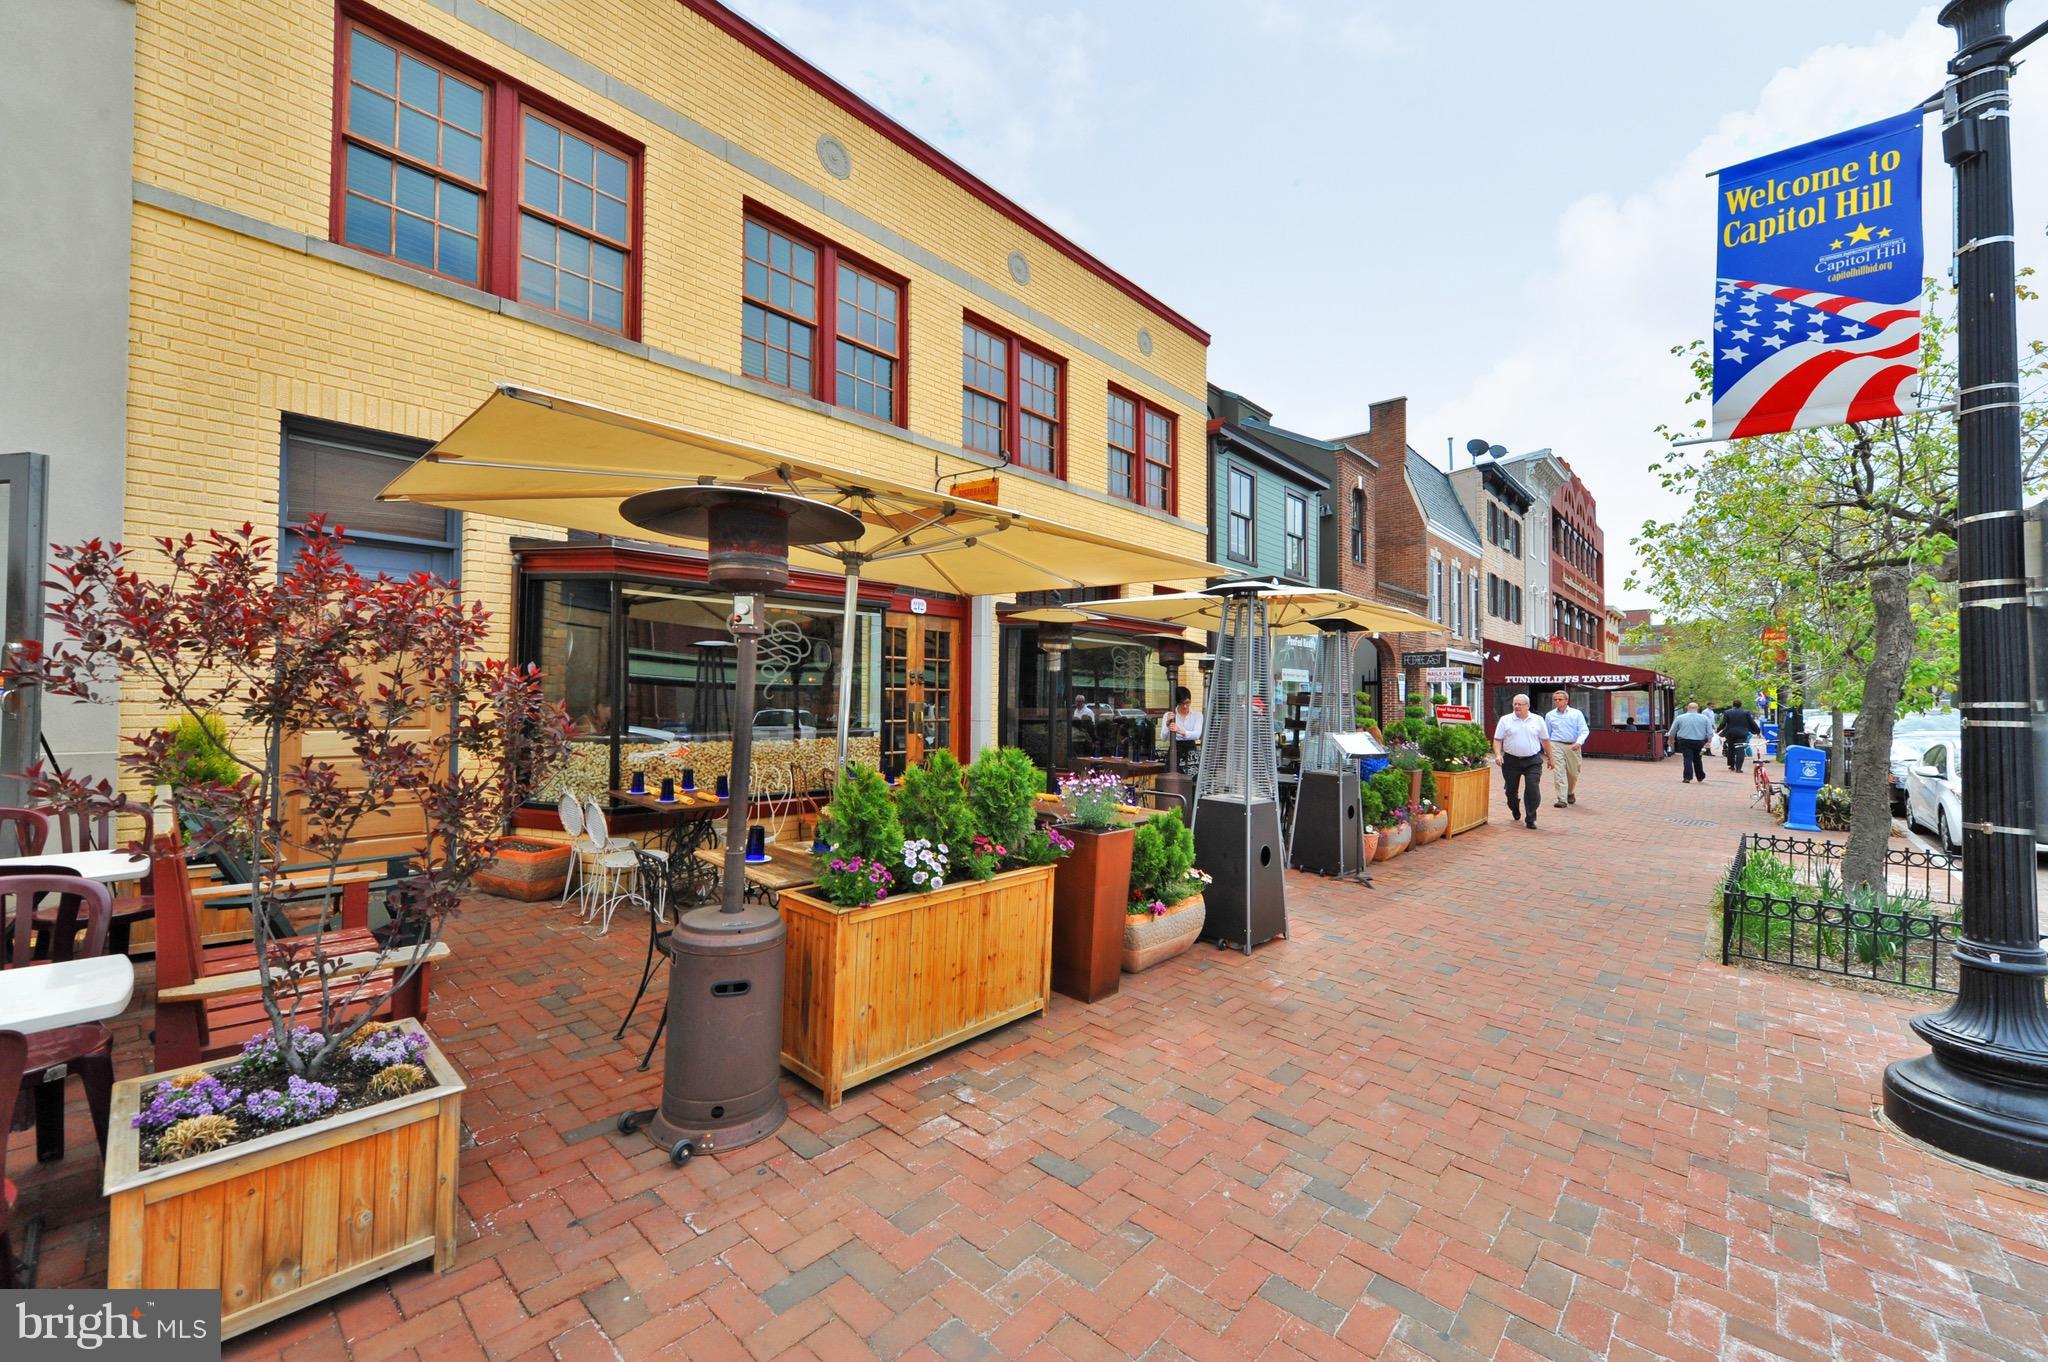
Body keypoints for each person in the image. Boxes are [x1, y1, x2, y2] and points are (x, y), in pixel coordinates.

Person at [1491, 692, 1553, 829]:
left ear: (1528, 706)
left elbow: (1545, 740)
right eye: (1515, 704)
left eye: (1520, 704)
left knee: (1532, 788)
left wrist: (1551, 758)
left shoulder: (1538, 720)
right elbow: (1497, 739)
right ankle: (1514, 807)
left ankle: (1531, 818)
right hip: (1511, 760)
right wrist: (1498, 754)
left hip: (1532, 761)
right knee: (1510, 791)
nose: (1517, 706)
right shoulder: (1505, 720)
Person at [1543, 688, 1589, 808]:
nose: (1557, 701)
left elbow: (1584, 730)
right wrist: (1547, 750)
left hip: (1573, 746)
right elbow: (1547, 734)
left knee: (1573, 773)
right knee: (1559, 771)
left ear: (1566, 701)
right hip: (1556, 745)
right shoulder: (1550, 715)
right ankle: (1562, 799)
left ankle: (1570, 792)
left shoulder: (1576, 714)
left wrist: (1579, 742)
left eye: (1560, 699)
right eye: (1555, 699)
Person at [1668, 701, 1714, 783]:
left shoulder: (1680, 717)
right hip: (1700, 741)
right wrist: (1709, 741)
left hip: (1685, 741)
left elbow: (1673, 731)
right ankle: (1700, 776)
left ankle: (1687, 777)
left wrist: (1671, 739)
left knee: (1687, 758)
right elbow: (1709, 732)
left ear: (1687, 708)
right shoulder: (1704, 718)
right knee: (1698, 758)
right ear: (1697, 708)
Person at [1162, 685, 1203, 773]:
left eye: (1187, 702)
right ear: (1177, 702)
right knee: (1172, 777)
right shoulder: (1168, 715)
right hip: (1175, 749)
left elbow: (1197, 735)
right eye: (1181, 703)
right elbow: (1163, 738)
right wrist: (1167, 724)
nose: (1185, 706)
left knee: (1191, 777)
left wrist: (1180, 731)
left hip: (1191, 749)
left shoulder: (1197, 715)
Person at [1717, 697, 1757, 772]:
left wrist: (1718, 730)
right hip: (1742, 733)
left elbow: (1723, 723)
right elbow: (1752, 722)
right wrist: (1757, 731)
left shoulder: (1727, 712)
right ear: (1741, 705)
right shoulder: (1746, 712)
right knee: (1740, 750)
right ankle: (1738, 768)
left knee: (1731, 749)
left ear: (1733, 705)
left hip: (1730, 733)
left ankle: (1731, 766)